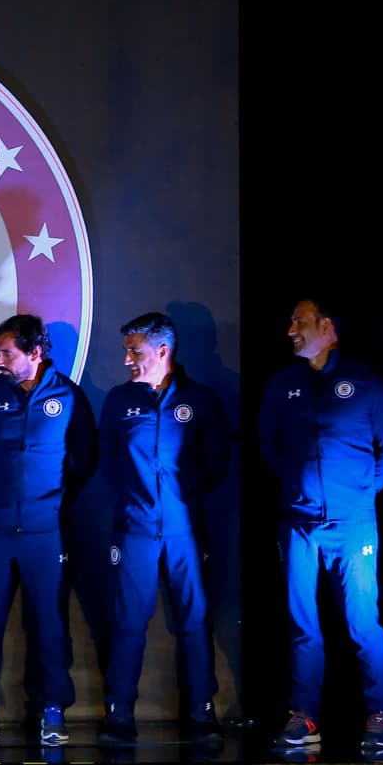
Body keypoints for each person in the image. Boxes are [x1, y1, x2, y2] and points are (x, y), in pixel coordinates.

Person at [259, 297, 383, 752]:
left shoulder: (366, 384)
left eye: (299, 321)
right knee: (303, 625)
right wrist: (298, 491)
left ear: (327, 327)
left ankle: (380, 717)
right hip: (299, 524)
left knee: (363, 623)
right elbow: (270, 446)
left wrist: (361, 494)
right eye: (291, 321)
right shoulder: (284, 384)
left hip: (353, 526)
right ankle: (304, 717)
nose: (290, 329)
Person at [0, 314, 98, 745]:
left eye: (7, 353)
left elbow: (83, 459)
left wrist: (46, 500)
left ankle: (54, 711)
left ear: (35, 353)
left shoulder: (68, 396)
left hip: (44, 532)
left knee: (51, 622)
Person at [97, 312, 229, 743]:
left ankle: (201, 711)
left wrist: (182, 501)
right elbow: (108, 459)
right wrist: (135, 501)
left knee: (193, 621)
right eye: (126, 351)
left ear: (162, 351)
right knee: (128, 623)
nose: (127, 360)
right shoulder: (119, 400)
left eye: (134, 351)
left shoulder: (201, 400)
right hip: (133, 530)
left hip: (184, 532)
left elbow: (216, 462)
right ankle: (119, 715)